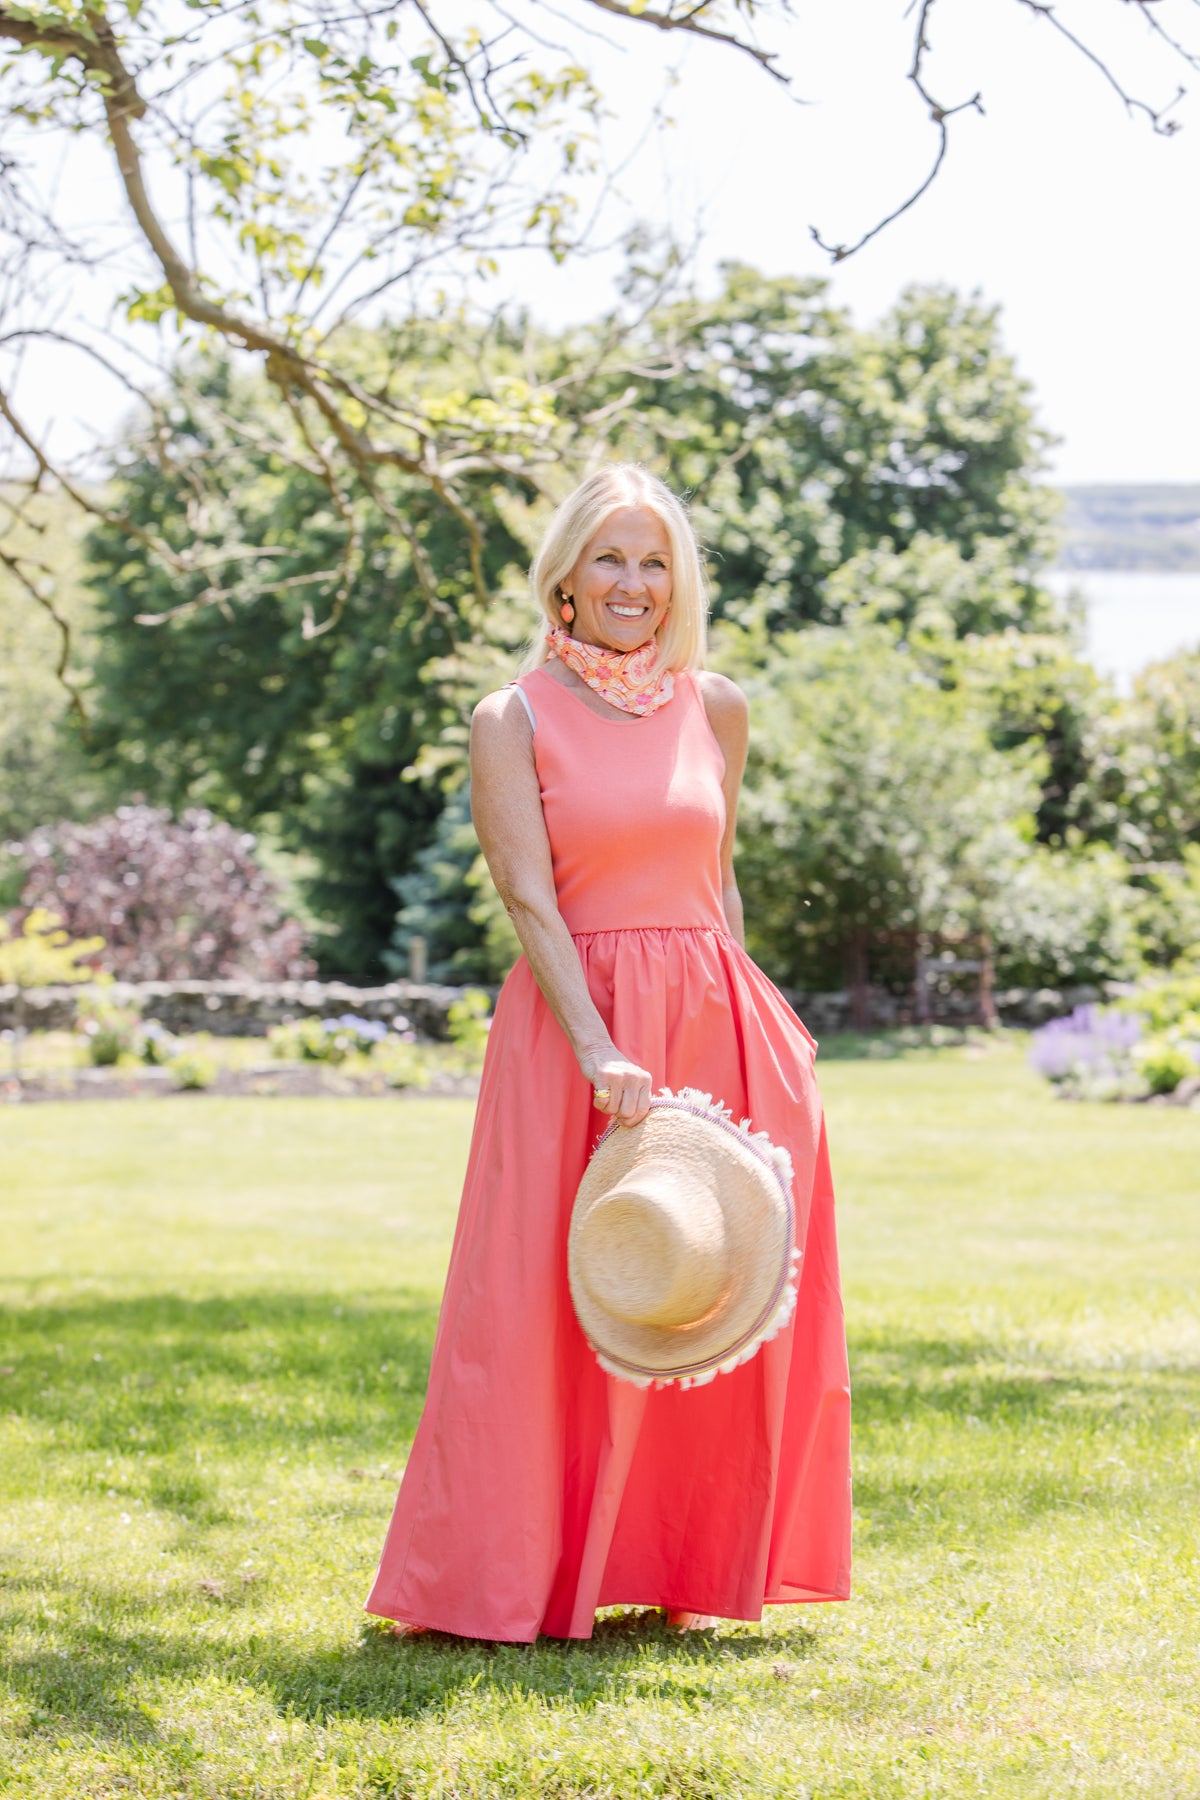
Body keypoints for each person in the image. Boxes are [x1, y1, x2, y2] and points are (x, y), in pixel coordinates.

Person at [365, 464, 851, 1642]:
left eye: (655, 562)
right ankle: (508, 1579)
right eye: (611, 559)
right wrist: (597, 1046)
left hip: (718, 1027)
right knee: (538, 1299)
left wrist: (766, 1024)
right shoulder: (513, 718)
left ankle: (685, 1563)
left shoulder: (715, 707)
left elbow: (717, 880)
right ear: (565, 579)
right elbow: (528, 898)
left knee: (699, 1283)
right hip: (577, 1028)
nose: (634, 584)